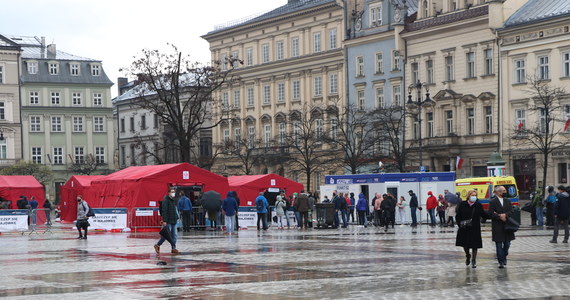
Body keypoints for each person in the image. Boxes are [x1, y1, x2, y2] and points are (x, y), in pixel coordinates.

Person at [455, 189, 486, 268]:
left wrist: (494, 215)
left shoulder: (478, 205)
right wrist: (460, 224)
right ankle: (467, 255)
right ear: (468, 196)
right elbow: (458, 216)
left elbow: (483, 214)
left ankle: (474, 260)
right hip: (464, 228)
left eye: (475, 195)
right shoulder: (462, 204)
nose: (474, 197)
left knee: (475, 245)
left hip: (475, 228)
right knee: (465, 245)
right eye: (472, 195)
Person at [488, 185, 515, 268]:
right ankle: (501, 261)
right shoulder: (493, 201)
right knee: (499, 244)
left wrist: (505, 215)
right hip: (497, 226)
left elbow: (511, 211)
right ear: (498, 192)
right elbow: (491, 213)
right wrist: (499, 216)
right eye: (503, 190)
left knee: (507, 243)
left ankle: (504, 255)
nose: (505, 192)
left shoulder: (507, 201)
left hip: (507, 225)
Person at [154, 187, 180, 255]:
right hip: (168, 221)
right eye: (172, 192)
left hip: (174, 220)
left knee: (174, 235)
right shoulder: (166, 200)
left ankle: (173, 248)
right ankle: (158, 245)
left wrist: (177, 217)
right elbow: (164, 211)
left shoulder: (173, 200)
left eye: (174, 192)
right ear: (169, 193)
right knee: (166, 235)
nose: (173, 193)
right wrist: (164, 220)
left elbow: (174, 210)